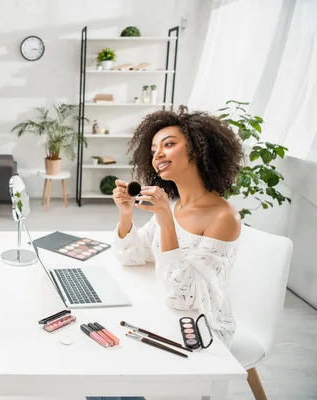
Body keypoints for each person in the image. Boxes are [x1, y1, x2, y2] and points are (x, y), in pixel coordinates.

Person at [87, 106, 244, 400]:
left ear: (197, 149)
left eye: (169, 144)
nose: (158, 154)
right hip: (164, 312)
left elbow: (185, 297)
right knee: (101, 367)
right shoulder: (174, 203)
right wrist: (125, 214)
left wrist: (165, 220)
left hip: (201, 330)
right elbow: (133, 255)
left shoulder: (223, 217)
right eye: (153, 148)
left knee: (111, 379)